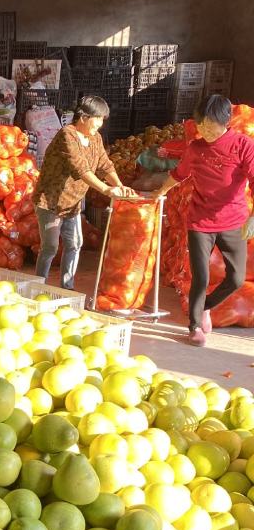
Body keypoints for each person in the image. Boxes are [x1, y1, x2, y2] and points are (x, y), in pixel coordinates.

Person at [154, 94, 254, 346]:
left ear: (225, 122)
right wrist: (159, 192)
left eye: (210, 125)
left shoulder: (243, 145)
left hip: (234, 222)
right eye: (201, 125)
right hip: (199, 222)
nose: (204, 130)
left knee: (236, 278)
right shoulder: (196, 148)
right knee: (200, 277)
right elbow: (179, 174)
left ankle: (206, 306)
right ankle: (195, 325)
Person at [33, 95, 136, 289]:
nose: (100, 124)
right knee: (50, 247)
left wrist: (119, 185)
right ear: (83, 117)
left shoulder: (95, 138)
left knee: (74, 244)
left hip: (73, 203)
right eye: (98, 119)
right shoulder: (67, 135)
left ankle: (67, 287)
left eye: (102, 120)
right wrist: (106, 189)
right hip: (51, 201)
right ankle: (39, 286)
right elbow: (81, 169)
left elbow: (105, 165)